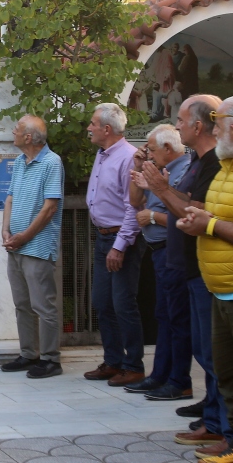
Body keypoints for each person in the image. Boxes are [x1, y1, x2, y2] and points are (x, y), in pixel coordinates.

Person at [140, 95, 231, 458]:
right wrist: (159, 188)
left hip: (213, 275)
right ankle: (215, 420)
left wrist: (163, 192)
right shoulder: (207, 163)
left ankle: (221, 426)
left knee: (216, 357)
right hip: (202, 270)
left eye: (180, 120)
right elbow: (194, 205)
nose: (176, 126)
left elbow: (200, 212)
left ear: (199, 125)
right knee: (209, 353)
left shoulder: (216, 163)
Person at [176, 96, 233, 463]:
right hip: (218, 287)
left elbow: (215, 222)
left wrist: (208, 224)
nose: (214, 129)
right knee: (224, 373)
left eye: (219, 122)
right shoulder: (224, 167)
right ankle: (229, 439)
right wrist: (198, 217)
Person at [127, 124, 193, 400]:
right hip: (158, 251)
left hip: (172, 250)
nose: (149, 154)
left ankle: (179, 380)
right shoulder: (158, 168)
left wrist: (153, 217)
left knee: (177, 317)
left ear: (168, 148)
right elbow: (135, 200)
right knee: (164, 315)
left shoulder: (185, 170)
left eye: (152, 149)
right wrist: (138, 167)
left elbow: (188, 214)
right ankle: (160, 375)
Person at [83, 103, 146, 387]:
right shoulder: (103, 154)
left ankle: (133, 366)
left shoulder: (128, 157)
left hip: (122, 238)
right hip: (103, 235)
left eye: (93, 124)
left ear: (107, 129)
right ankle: (113, 361)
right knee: (102, 302)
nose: (89, 128)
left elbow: (133, 206)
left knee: (123, 304)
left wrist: (119, 246)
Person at [0, 115, 64, 379]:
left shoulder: (51, 162)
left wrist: (24, 236)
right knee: (22, 304)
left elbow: (50, 208)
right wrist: (6, 230)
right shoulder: (19, 162)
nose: (12, 132)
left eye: (16, 129)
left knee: (43, 305)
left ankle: (50, 359)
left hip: (36, 246)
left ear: (28, 136)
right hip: (15, 246)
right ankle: (29, 353)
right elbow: (10, 199)